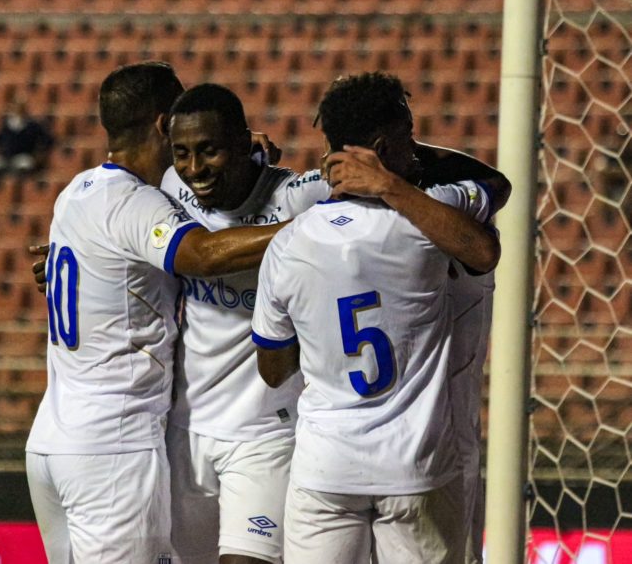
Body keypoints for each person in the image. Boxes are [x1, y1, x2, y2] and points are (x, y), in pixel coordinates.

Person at [25, 62, 288, 564]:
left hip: (52, 441)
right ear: (166, 124)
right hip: (112, 446)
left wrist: (241, 151)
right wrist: (309, 227)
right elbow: (203, 255)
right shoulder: (135, 203)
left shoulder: (76, 191)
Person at [251, 71, 503, 563]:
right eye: (410, 136)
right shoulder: (429, 220)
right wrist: (392, 184)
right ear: (386, 147)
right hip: (415, 467)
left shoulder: (287, 243)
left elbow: (273, 368)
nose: (417, 151)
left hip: (326, 468)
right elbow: (490, 211)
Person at [160, 84, 330, 564]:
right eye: (182, 153)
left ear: (242, 141)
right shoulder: (170, 187)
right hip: (183, 429)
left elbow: (392, 176)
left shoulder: (297, 197)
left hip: (265, 433)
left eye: (209, 150)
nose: (195, 168)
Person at [327, 143, 507, 564]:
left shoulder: (444, 222)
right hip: (402, 455)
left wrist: (388, 175)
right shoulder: (420, 223)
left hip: (418, 453)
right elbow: (494, 184)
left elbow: (496, 186)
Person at [0, 98, 54, 176]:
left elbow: (48, 139)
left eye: (20, 107)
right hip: (5, 158)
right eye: (15, 106)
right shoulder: (6, 124)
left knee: (24, 166)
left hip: (24, 157)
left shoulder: (32, 125)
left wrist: (40, 154)